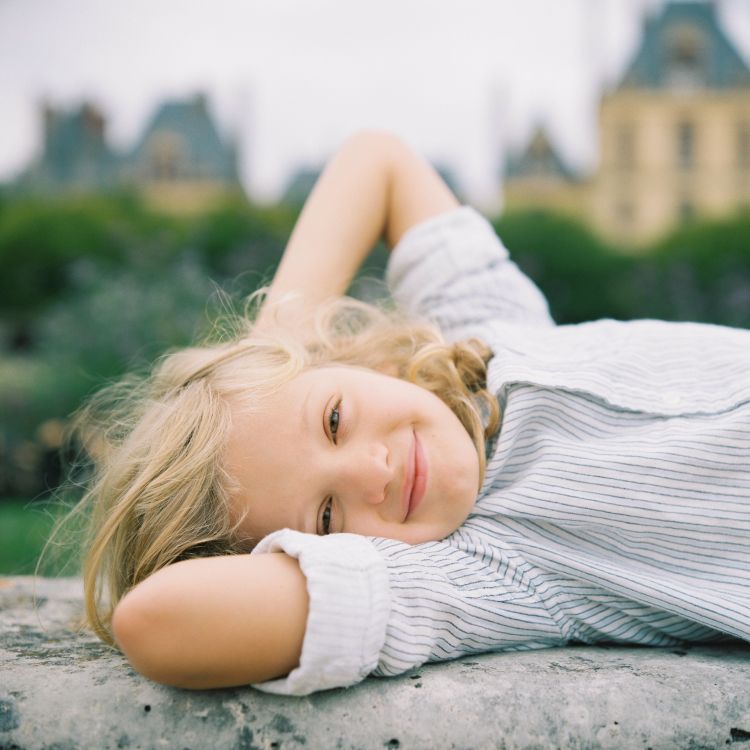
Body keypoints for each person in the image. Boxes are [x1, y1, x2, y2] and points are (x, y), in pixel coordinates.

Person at [75, 131, 750, 696]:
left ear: (352, 360)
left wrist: (276, 343)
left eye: (334, 420)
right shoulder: (480, 572)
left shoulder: (482, 336)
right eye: (328, 517)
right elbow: (155, 624)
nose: (374, 470)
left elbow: (376, 162)